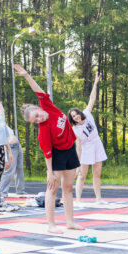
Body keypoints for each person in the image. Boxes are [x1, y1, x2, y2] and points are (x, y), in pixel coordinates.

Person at [13, 64, 83, 234]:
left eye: (37, 115)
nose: (39, 119)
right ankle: (51, 225)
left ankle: (70, 222)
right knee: (52, 188)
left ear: (38, 108)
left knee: (68, 187)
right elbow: (48, 154)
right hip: (57, 155)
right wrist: (49, 172)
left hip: (70, 150)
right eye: (34, 121)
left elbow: (39, 91)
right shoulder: (43, 132)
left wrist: (26, 75)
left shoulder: (48, 107)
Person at [71, 72, 106, 206]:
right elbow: (78, 146)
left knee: (97, 174)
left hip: (96, 143)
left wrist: (95, 83)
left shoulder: (87, 113)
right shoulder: (76, 130)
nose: (76, 117)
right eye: (73, 117)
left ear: (80, 113)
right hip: (86, 149)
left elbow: (92, 99)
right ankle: (78, 200)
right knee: (82, 175)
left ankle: (98, 199)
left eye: (76, 114)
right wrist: (78, 162)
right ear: (72, 119)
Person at [0, 137, 26, 206]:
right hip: (10, 147)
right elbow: (2, 141)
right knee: (9, 170)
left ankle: (20, 191)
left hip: (17, 145)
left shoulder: (7, 127)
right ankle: (2, 192)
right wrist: (6, 159)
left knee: (19, 168)